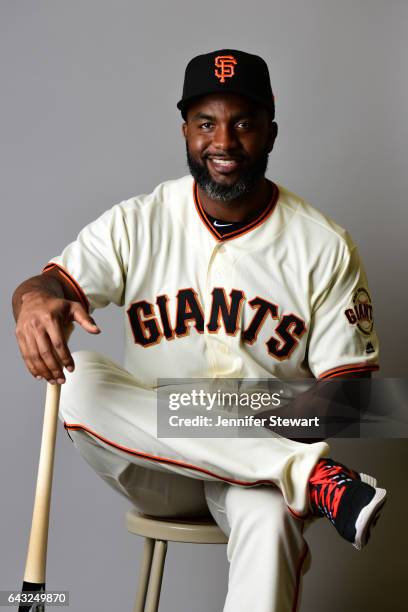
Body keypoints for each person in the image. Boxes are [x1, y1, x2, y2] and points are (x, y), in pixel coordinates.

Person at [12, 49, 386, 612]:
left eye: (244, 123)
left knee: (271, 514)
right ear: (185, 130)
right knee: (80, 377)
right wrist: (35, 300)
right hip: (153, 466)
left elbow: (355, 399)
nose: (224, 142)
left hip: (254, 478)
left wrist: (241, 420)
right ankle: (308, 474)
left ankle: (290, 472)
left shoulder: (323, 244)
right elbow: (46, 287)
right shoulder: (139, 221)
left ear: (272, 132)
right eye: (207, 123)